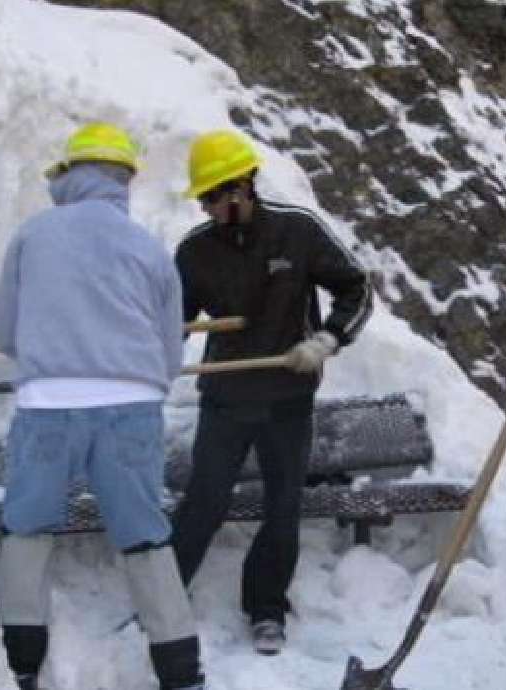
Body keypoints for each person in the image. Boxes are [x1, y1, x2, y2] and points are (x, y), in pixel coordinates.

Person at [0, 122, 204, 690]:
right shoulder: (148, 247)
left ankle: (22, 666)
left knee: (28, 529)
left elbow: (4, 333)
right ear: (124, 180)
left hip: (48, 406)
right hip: (130, 408)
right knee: (144, 536)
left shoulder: (32, 236)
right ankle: (182, 673)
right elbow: (168, 351)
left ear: (68, 176)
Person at [169, 129, 372, 655]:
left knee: (282, 508)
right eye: (204, 198)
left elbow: (357, 287)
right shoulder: (194, 252)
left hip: (288, 397)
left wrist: (328, 338)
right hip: (225, 400)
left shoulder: (297, 232)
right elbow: (175, 321)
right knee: (203, 505)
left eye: (219, 195)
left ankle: (266, 608)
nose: (211, 207)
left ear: (245, 185)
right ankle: (164, 603)